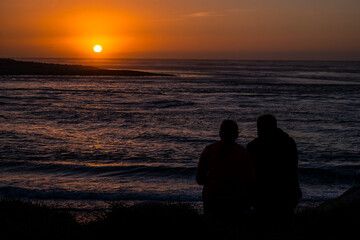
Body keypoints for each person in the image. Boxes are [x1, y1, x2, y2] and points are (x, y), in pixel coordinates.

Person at [196, 120, 255, 219]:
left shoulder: (209, 150)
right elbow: (252, 181)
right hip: (237, 200)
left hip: (213, 198)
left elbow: (199, 179)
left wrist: (214, 180)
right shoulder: (243, 153)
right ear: (236, 135)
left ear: (220, 134)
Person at [246, 114, 302, 217]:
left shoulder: (254, 146)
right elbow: (293, 169)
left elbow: (249, 173)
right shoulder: (288, 142)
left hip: (263, 195)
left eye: (259, 127)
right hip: (287, 194)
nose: (258, 131)